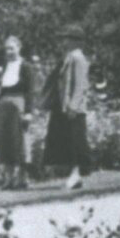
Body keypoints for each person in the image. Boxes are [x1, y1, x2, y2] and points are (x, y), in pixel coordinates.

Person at [43, 34, 92, 190]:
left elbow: (80, 84)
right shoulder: (68, 57)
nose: (64, 42)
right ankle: (74, 174)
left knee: (75, 142)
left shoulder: (78, 58)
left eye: (67, 39)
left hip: (73, 108)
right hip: (64, 106)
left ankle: (76, 174)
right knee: (67, 142)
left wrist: (73, 105)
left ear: (75, 41)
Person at [0, 35, 39, 189]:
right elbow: (2, 89)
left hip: (19, 105)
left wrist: (29, 112)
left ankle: (23, 178)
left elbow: (30, 91)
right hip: (4, 107)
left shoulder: (26, 67)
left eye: (12, 48)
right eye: (7, 48)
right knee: (6, 143)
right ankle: (9, 179)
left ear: (19, 47)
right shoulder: (6, 67)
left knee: (21, 141)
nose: (9, 51)